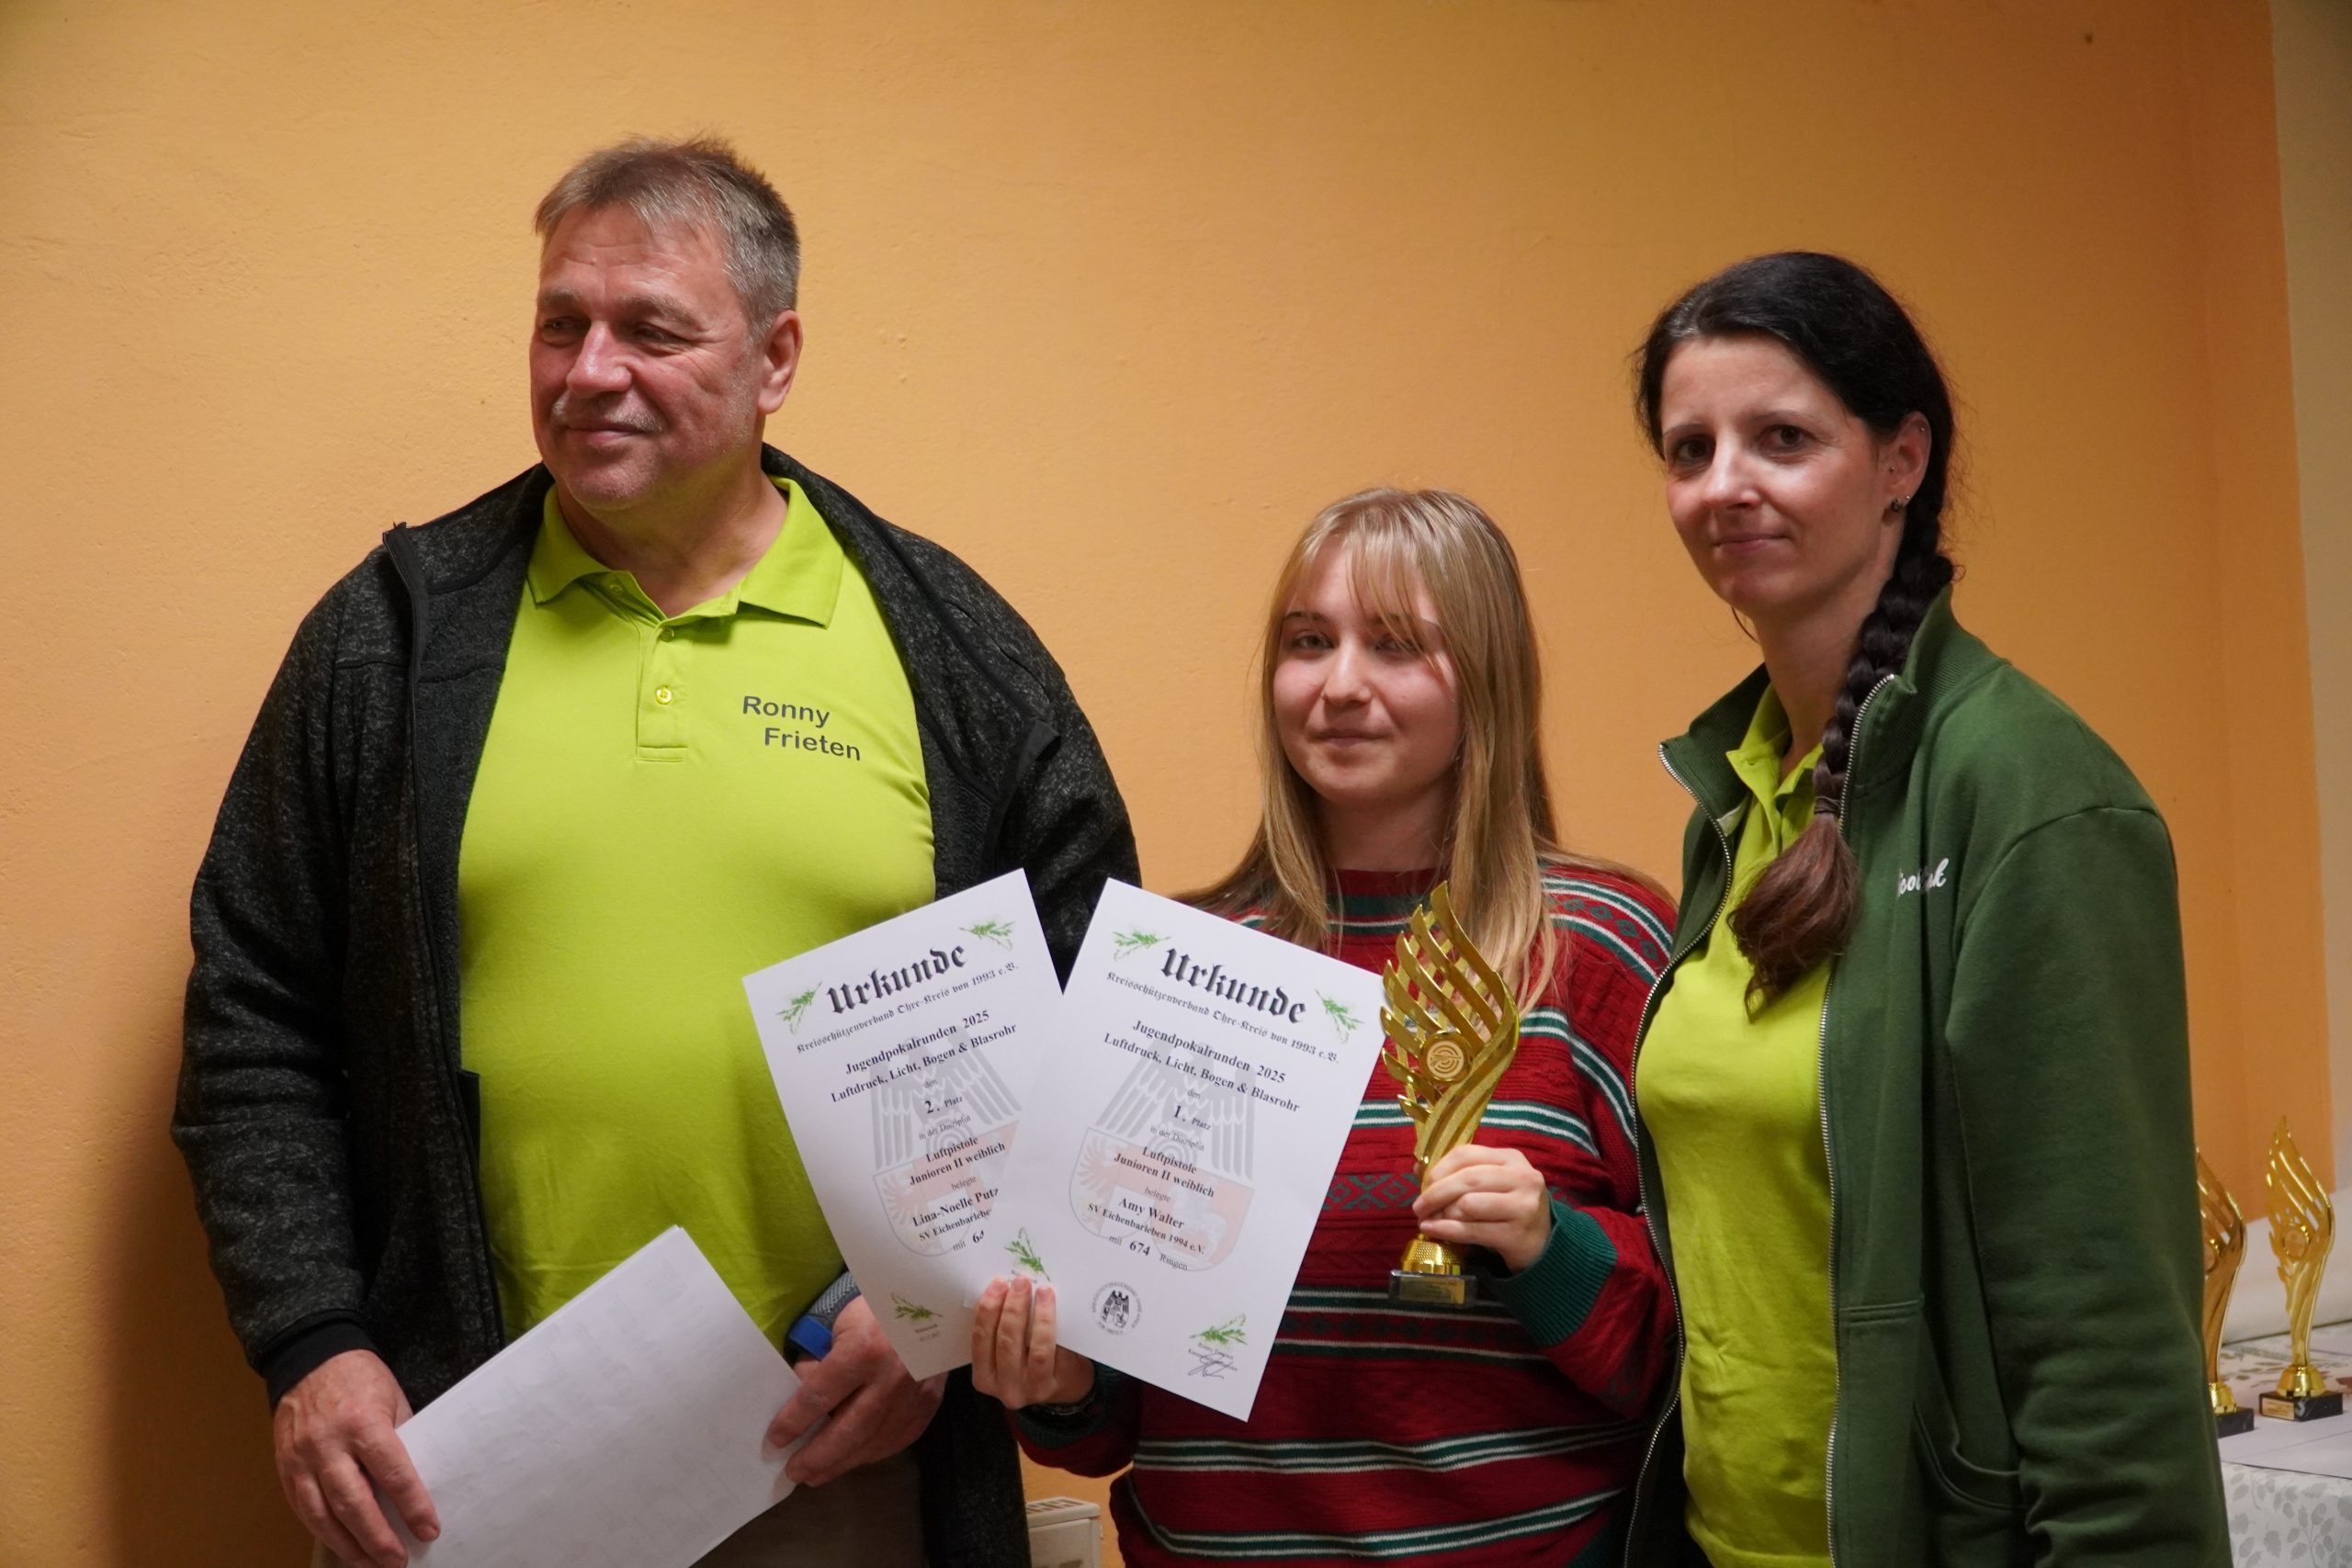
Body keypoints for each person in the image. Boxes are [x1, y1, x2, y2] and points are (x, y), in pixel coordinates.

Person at [173, 136, 1136, 1568]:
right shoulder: (390, 637)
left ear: (776, 357)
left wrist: (934, 1312)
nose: (590, 370)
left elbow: (1095, 1035)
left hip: (845, 1462)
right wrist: (310, 1335)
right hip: (458, 1456)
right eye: (560, 322)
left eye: (652, 330)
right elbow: (255, 1008)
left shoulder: (954, 651)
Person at [1620, 251, 2228, 1565]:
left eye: (1782, 438)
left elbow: (2103, 1315)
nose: (1724, 484)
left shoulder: (2029, 792)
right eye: (1689, 449)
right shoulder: (1735, 795)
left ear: (1902, 459)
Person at [972, 488, 1677, 1567]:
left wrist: (1549, 1246)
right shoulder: (1176, 963)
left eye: (1394, 645)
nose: (1341, 685)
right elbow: (1110, 1411)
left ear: (1486, 678)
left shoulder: (1601, 944)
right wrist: (1061, 1384)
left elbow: (1697, 1354)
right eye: (1308, 642)